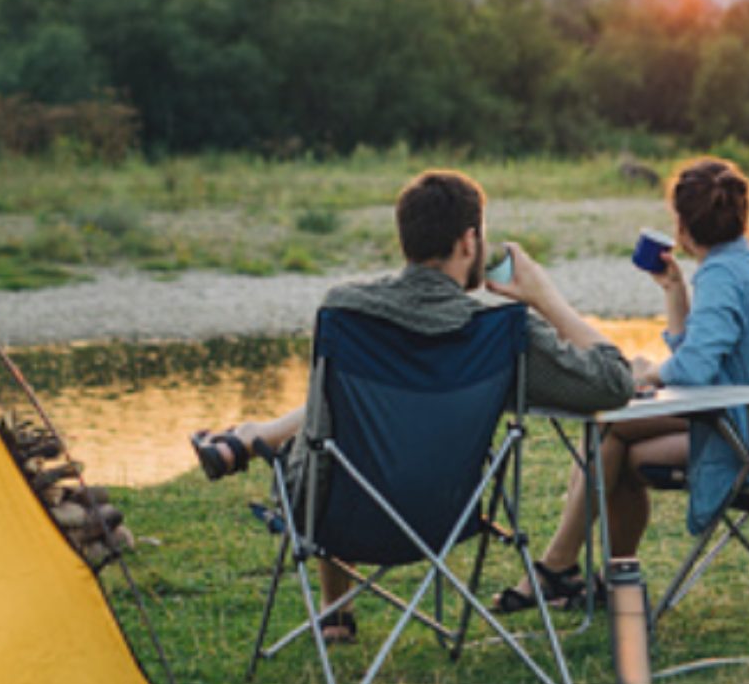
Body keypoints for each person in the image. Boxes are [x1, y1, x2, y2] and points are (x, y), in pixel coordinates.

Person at [190, 169, 634, 642]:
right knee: (330, 420)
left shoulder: (347, 311)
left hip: (335, 516)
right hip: (445, 516)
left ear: (406, 239)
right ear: (469, 242)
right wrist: (544, 297)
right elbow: (614, 383)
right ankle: (254, 437)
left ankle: (333, 607)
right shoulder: (502, 333)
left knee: (327, 430)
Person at [496, 157, 749, 612]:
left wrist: (646, 374)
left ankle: (561, 569)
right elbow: (699, 356)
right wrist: (675, 293)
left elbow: (693, 370)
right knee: (618, 445)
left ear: (681, 227)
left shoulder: (721, 276)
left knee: (611, 429)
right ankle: (601, 578)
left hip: (746, 437)